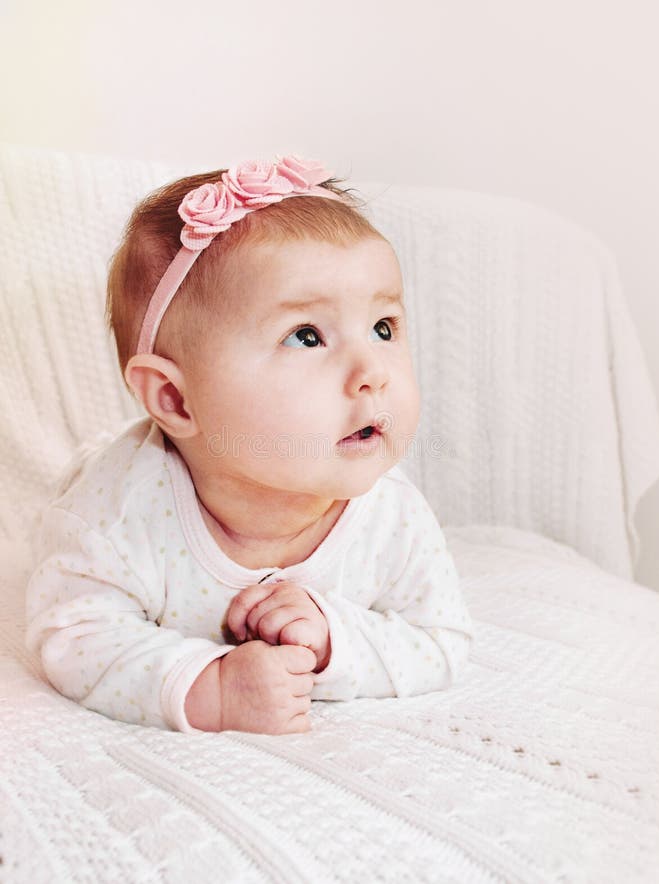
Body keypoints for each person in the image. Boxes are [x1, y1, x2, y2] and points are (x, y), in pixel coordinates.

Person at [25, 155, 474, 735]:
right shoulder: (115, 515)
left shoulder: (392, 516)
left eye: (383, 327)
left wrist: (333, 637)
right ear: (175, 401)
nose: (373, 371)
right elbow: (74, 634)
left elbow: (442, 641)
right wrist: (209, 685)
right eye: (306, 336)